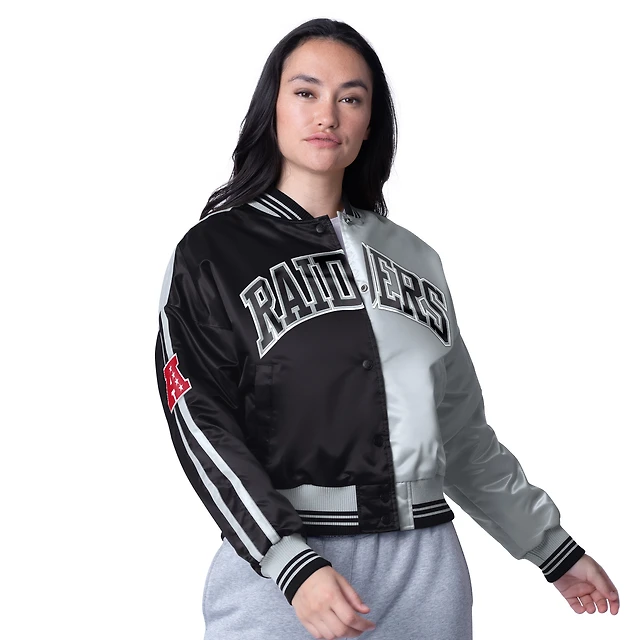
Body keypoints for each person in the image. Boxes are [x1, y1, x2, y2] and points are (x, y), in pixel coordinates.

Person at [154, 17, 620, 640]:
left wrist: (551, 548)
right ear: (272, 107)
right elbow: (200, 421)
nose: (328, 115)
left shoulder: (415, 260)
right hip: (284, 572)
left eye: (351, 98)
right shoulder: (212, 254)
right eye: (306, 92)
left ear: (371, 122)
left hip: (425, 571)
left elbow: (459, 432)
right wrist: (286, 559)